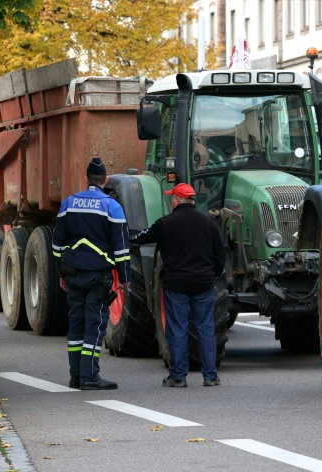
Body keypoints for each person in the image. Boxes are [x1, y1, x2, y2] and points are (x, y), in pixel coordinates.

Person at [129, 183, 225, 387]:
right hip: (203, 283)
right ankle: (210, 376)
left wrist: (125, 233)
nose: (171, 201)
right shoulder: (208, 221)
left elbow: (141, 238)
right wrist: (213, 275)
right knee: (205, 328)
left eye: (172, 198)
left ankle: (178, 376)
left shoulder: (166, 223)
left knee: (177, 329)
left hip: (176, 285)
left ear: (177, 201)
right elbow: (219, 252)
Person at [52, 157, 130, 390]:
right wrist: (124, 278)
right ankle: (90, 377)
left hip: (74, 274)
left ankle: (75, 375)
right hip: (98, 276)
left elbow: (57, 245)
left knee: (76, 324)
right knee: (95, 325)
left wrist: (61, 274)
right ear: (105, 180)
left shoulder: (68, 204)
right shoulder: (112, 207)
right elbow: (122, 249)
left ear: (86, 179)